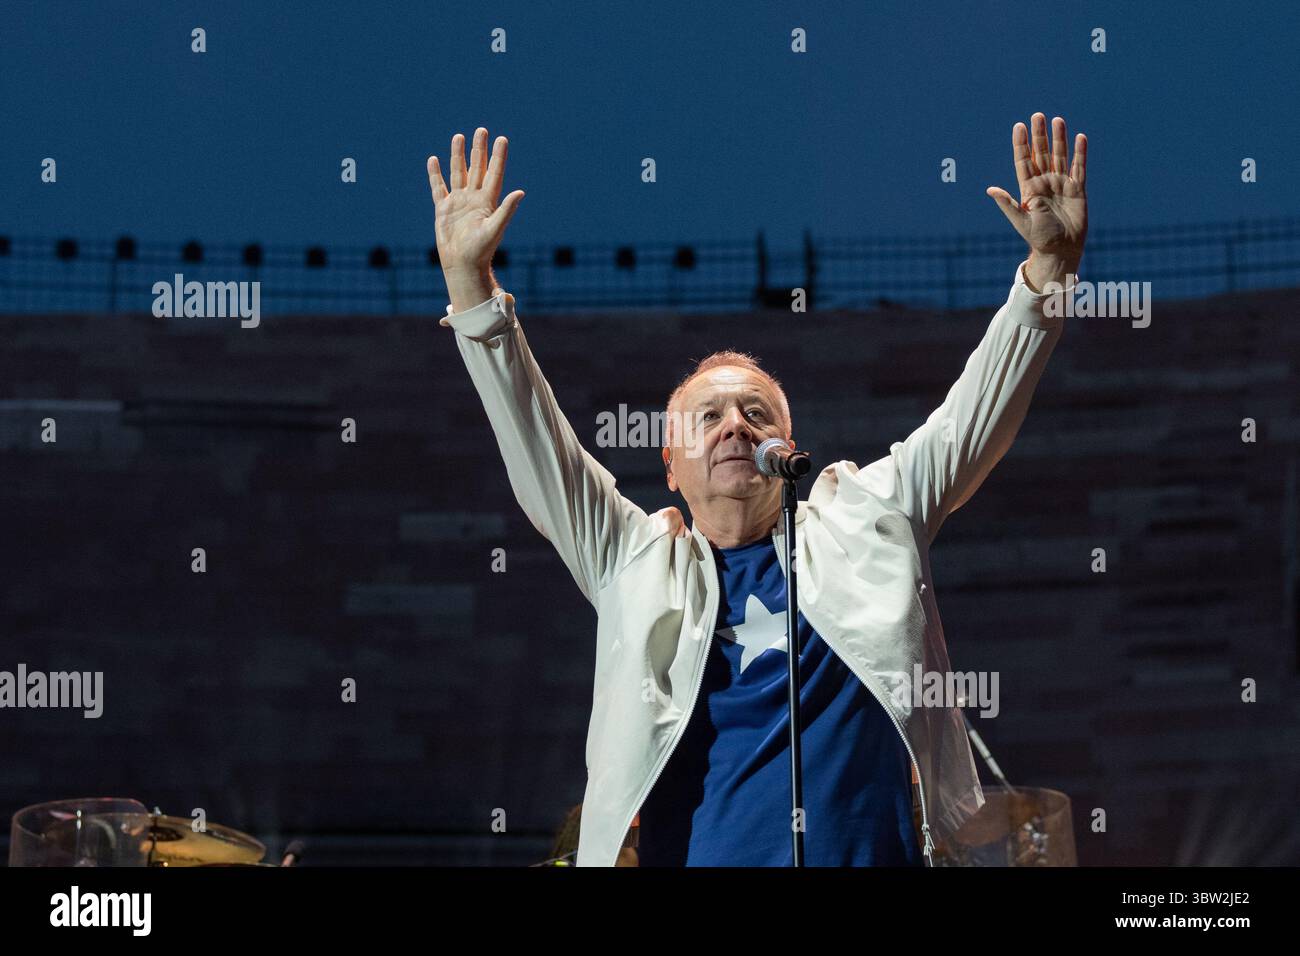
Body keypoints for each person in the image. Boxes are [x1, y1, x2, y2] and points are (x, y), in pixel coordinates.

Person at [425, 113, 1087, 866]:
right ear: (670, 466)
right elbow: (536, 442)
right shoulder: (632, 561)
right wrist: (470, 288)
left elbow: (975, 417)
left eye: (756, 413)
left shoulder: (873, 516)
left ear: (790, 450)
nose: (734, 426)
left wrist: (1049, 275)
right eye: (707, 417)